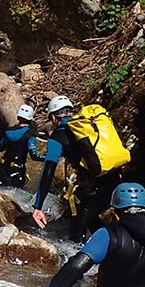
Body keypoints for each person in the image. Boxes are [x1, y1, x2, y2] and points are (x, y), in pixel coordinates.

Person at [30, 95, 121, 242]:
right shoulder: (88, 126)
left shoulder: (57, 138)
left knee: (76, 237)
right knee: (94, 222)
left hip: (92, 191)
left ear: (53, 118)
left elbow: (48, 171)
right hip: (115, 182)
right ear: (71, 112)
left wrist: (38, 206)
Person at [0, 104, 45, 187]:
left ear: (18, 117)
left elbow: (0, 148)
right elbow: (34, 156)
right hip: (17, 172)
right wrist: (49, 158)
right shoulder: (29, 135)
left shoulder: (8, 132)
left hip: (3, 169)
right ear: (30, 119)